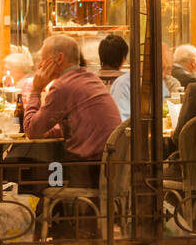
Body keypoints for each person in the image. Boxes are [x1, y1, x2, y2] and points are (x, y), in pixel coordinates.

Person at [24, 35, 122, 189]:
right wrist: (51, 132)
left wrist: (36, 90)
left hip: (89, 170)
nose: (40, 65)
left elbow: (32, 130)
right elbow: (82, 124)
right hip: (112, 165)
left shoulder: (63, 86)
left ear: (59, 58)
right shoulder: (90, 78)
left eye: (43, 59)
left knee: (34, 172)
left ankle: (44, 208)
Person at [111, 44, 178, 121]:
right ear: (144, 63)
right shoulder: (124, 85)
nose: (163, 75)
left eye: (168, 69)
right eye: (160, 68)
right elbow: (122, 124)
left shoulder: (160, 83)